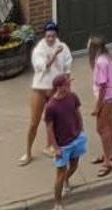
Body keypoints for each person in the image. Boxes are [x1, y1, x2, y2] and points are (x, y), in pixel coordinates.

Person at [21, 19, 73, 164]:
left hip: (55, 89)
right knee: (34, 122)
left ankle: (50, 145)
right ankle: (28, 152)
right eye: (48, 36)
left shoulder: (63, 47)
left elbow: (67, 69)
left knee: (52, 121)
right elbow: (43, 67)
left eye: (53, 36)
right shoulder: (39, 50)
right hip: (40, 88)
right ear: (44, 36)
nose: (50, 39)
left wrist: (67, 88)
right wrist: (55, 54)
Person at [42, 72, 86, 210]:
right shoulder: (51, 107)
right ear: (59, 87)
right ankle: (57, 203)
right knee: (60, 174)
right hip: (62, 145)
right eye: (67, 84)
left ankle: (67, 180)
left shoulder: (72, 97)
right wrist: (56, 147)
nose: (70, 85)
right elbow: (49, 128)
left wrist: (81, 129)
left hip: (75, 138)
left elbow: (77, 112)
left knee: (74, 165)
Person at [89, 37, 112, 177]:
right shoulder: (106, 57)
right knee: (110, 123)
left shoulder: (101, 62)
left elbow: (103, 86)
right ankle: (109, 153)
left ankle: (107, 162)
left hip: (106, 97)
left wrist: (97, 107)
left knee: (102, 128)